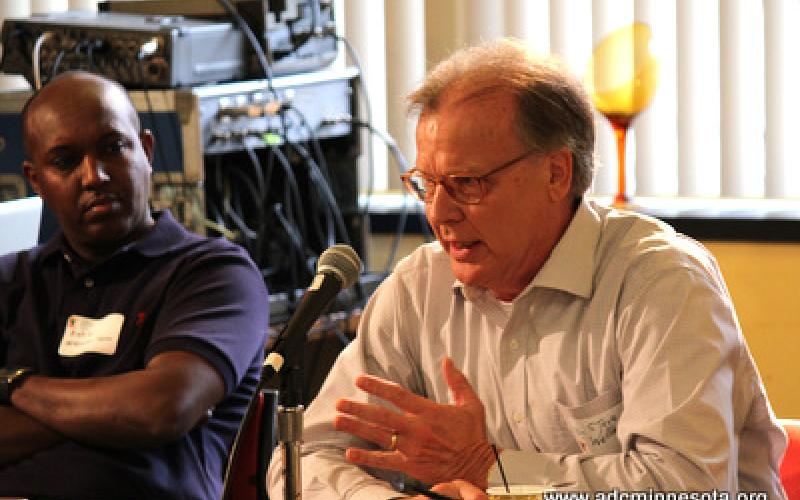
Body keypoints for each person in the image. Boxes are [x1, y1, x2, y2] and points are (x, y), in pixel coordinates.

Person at [266, 38, 788, 499]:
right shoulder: (418, 289)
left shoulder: (662, 283)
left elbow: (687, 488)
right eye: (426, 183)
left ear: (556, 173)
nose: (439, 213)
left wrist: (488, 469)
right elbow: (305, 458)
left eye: (468, 183)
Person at [0, 71, 269, 499]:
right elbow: (137, 413)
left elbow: (162, 409)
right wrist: (114, 408)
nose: (94, 176)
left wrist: (16, 385)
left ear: (145, 150)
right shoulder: (11, 281)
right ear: (37, 181)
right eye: (66, 161)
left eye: (112, 148)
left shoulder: (213, 273)